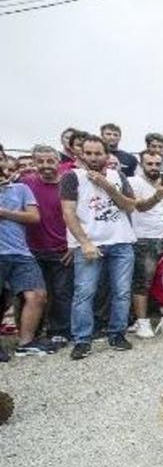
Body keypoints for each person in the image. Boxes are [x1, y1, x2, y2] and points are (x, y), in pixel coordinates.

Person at [61, 136, 154, 360]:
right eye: (89, 153)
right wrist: (84, 242)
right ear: (80, 154)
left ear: (106, 154)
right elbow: (68, 213)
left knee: (122, 292)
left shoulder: (117, 175)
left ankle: (117, 334)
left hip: (121, 241)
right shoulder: (72, 177)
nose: (94, 158)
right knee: (84, 293)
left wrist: (107, 186)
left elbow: (130, 207)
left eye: (98, 153)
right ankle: (82, 340)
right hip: (90, 243)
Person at [0, 159, 54, 357]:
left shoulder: (20, 189)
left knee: (37, 295)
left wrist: (4, 212)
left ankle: (26, 342)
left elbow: (33, 217)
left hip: (20, 252)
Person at [128, 150, 163, 338]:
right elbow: (139, 206)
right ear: (142, 164)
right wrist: (157, 196)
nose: (153, 167)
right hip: (143, 238)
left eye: (157, 164)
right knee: (143, 282)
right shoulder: (134, 182)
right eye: (149, 164)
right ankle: (142, 322)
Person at [23, 146, 71, 346]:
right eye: (40, 162)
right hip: (32, 250)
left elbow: (78, 217)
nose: (45, 166)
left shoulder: (68, 185)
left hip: (62, 249)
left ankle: (59, 332)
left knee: (61, 293)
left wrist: (74, 246)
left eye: (50, 161)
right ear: (34, 163)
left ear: (58, 163)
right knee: (34, 295)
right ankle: (31, 334)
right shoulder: (25, 184)